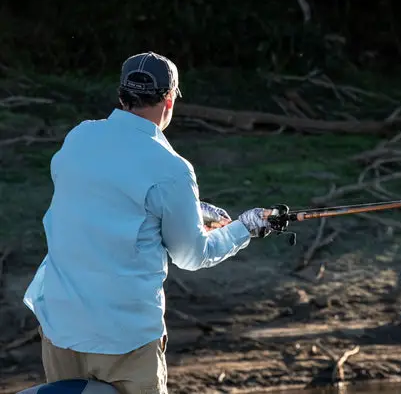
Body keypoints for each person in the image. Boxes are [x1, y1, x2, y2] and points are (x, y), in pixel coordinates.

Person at [21, 51, 274, 394]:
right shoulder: (172, 168)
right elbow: (192, 255)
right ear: (169, 100)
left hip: (60, 326)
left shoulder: (79, 138)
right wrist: (245, 226)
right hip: (126, 337)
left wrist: (190, 207)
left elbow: (100, 194)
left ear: (121, 95)